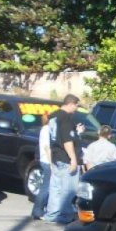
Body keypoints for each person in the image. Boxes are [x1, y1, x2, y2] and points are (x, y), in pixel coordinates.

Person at [44, 94, 81, 224]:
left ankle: (52, 214)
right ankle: (65, 216)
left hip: (55, 156)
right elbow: (67, 140)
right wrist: (73, 159)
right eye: (76, 105)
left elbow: (51, 138)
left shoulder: (53, 116)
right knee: (69, 189)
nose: (76, 108)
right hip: (65, 159)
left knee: (56, 188)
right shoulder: (66, 118)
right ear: (71, 103)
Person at [30, 112, 53, 220]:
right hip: (47, 161)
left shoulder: (46, 129)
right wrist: (51, 162)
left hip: (46, 160)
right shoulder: (46, 130)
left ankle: (40, 210)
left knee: (47, 186)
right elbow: (46, 147)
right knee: (46, 187)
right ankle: (37, 211)